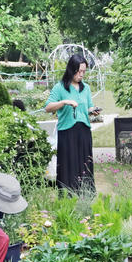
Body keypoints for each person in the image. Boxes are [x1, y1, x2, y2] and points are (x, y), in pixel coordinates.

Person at [45, 54, 98, 191]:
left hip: (84, 131)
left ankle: (86, 193)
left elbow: (89, 107)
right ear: (71, 70)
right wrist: (64, 102)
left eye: (84, 72)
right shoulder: (60, 87)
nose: (81, 75)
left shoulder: (85, 88)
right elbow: (48, 107)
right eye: (79, 71)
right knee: (68, 164)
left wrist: (92, 110)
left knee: (85, 164)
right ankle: (68, 194)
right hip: (67, 132)